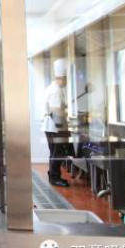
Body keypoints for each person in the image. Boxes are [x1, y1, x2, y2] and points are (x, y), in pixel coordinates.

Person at [41, 58, 73, 187]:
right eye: (66, 78)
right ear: (62, 77)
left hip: (52, 126)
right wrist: (67, 113)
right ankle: (54, 177)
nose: (66, 81)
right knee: (57, 153)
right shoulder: (55, 90)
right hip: (55, 126)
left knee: (54, 152)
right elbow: (55, 110)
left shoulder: (52, 88)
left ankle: (53, 175)